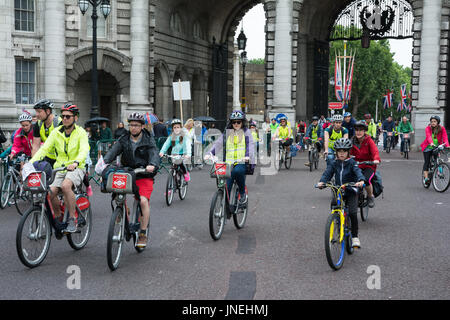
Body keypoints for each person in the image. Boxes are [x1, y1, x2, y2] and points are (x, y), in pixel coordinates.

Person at [30, 103, 90, 234]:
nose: (65, 119)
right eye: (63, 116)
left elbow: (84, 150)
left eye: (68, 116)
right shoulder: (57, 132)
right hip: (60, 169)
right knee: (50, 193)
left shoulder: (81, 132)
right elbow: (44, 149)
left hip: (76, 168)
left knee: (66, 186)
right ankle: (58, 219)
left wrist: (76, 162)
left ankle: (72, 219)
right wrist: (31, 164)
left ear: (75, 118)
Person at [103, 112, 160, 248]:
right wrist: (103, 163)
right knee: (116, 192)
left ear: (142, 126)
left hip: (143, 174)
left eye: (136, 125)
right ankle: (122, 210)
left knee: (143, 201)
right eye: (131, 125)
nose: (133, 128)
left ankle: (143, 233)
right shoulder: (123, 139)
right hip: (127, 172)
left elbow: (154, 153)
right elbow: (112, 153)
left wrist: (152, 164)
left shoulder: (148, 139)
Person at [317, 138, 365, 248]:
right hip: (338, 190)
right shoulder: (334, 163)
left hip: (351, 190)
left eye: (344, 151)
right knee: (334, 204)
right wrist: (322, 182)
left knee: (352, 213)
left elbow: (358, 172)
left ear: (348, 152)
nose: (342, 153)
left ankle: (354, 237)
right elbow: (327, 173)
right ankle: (337, 220)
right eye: (339, 151)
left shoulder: (352, 163)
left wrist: (361, 181)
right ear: (336, 152)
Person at [205, 110, 255, 206]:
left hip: (241, 162)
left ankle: (242, 192)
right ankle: (224, 211)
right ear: (231, 123)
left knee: (238, 171)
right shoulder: (227, 133)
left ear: (242, 122)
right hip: (228, 163)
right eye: (234, 122)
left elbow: (250, 145)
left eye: (238, 122)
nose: (236, 124)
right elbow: (218, 143)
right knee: (226, 188)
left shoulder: (246, 132)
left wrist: (248, 156)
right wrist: (210, 153)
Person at [350, 121, 381, 208]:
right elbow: (347, 152)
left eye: (361, 130)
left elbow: (375, 151)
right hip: (356, 165)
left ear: (364, 131)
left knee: (366, 180)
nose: (358, 132)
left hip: (368, 165)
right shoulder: (352, 141)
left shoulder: (369, 141)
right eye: (356, 130)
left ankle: (370, 196)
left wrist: (376, 159)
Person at [31, 99, 62, 167]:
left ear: (48, 111)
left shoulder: (60, 123)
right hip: (47, 158)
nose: (37, 115)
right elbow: (36, 146)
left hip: (61, 158)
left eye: (39, 112)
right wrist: (33, 163)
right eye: (36, 112)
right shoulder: (38, 124)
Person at [420, 115, 450, 184]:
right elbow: (428, 136)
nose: (433, 123)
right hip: (428, 147)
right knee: (427, 163)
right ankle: (426, 178)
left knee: (438, 159)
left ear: (438, 122)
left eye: (434, 121)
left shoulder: (442, 128)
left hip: (437, 147)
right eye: (431, 121)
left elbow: (445, 137)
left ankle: (440, 172)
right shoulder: (428, 128)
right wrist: (431, 143)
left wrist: (447, 145)